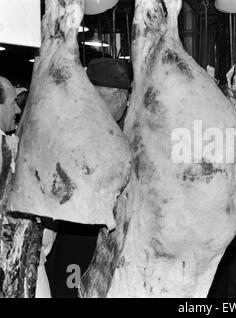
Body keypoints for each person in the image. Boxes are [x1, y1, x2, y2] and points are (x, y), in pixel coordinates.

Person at [45, 58, 132, 298]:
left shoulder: (78, 125)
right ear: (116, 95)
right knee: (74, 289)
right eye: (125, 96)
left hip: (82, 234)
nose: (127, 103)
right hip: (82, 235)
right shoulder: (92, 131)